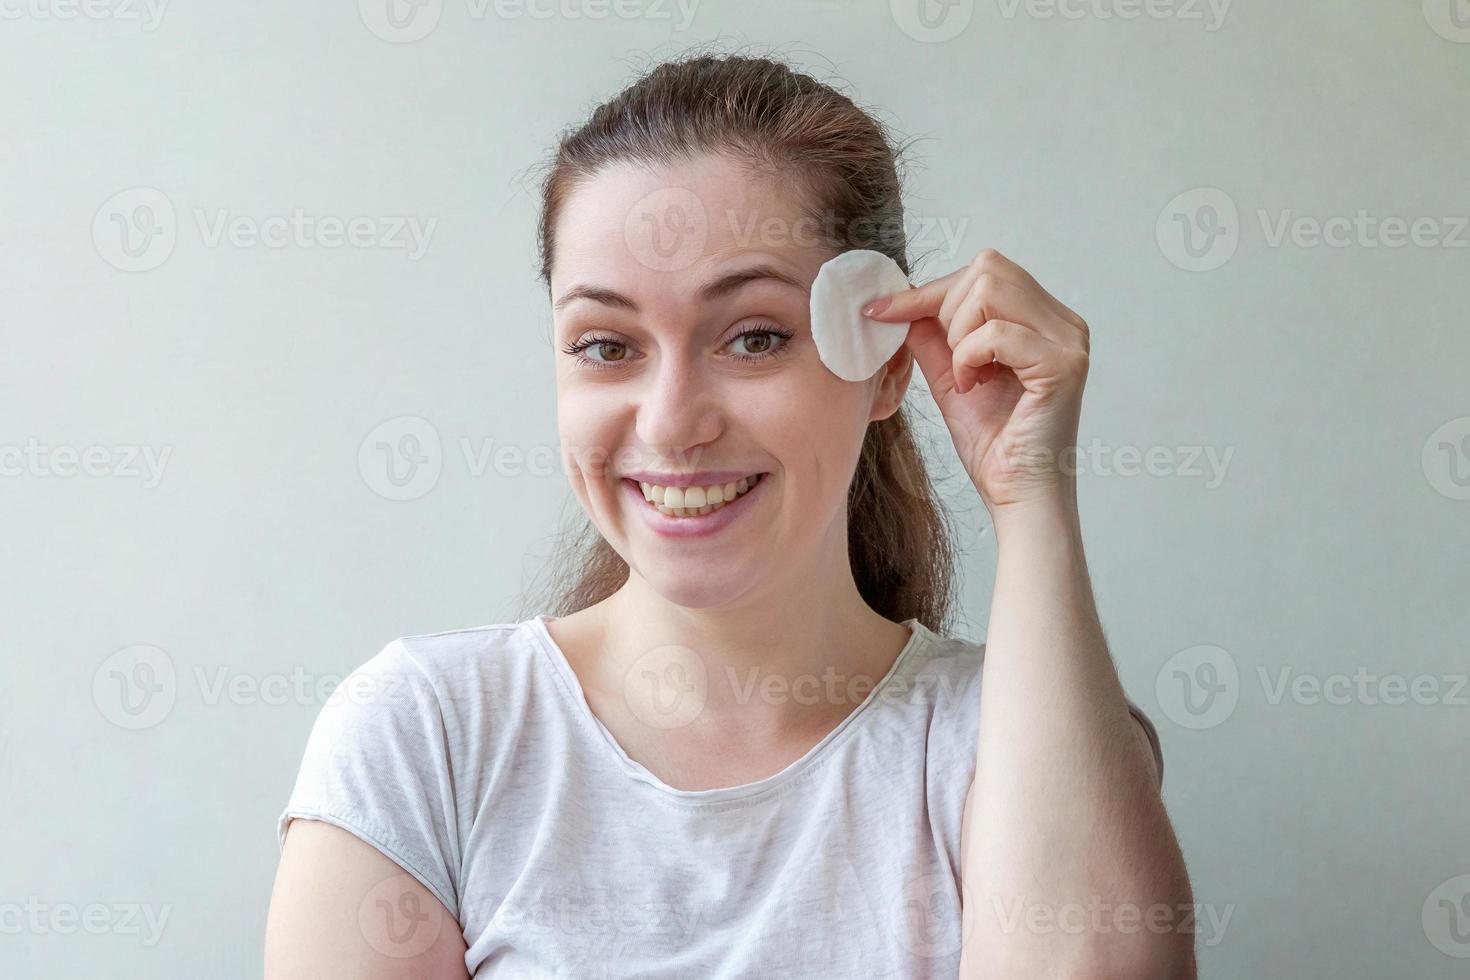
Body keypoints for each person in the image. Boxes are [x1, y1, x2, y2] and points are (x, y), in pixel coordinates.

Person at [264, 51, 1195, 979]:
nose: (672, 423)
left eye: (753, 337)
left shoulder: (1013, 735)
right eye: (606, 345)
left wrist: (1030, 497)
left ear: (886, 364)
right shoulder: (425, 735)